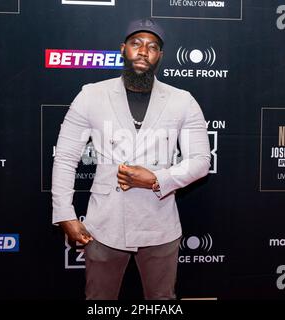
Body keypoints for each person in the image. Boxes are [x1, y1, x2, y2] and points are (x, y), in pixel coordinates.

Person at [52, 17, 210, 300]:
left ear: (160, 56)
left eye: (152, 46)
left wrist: (157, 179)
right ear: (123, 49)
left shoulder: (182, 100)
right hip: (104, 224)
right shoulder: (91, 95)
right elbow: (65, 157)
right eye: (136, 43)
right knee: (99, 301)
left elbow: (200, 161)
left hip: (160, 224)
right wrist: (64, 213)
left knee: (162, 301)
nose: (143, 51)